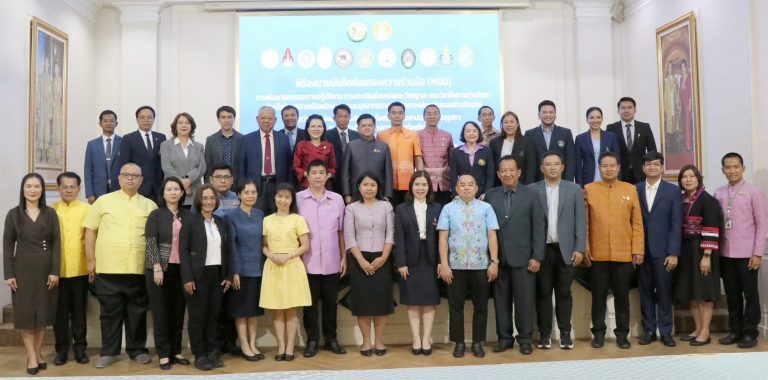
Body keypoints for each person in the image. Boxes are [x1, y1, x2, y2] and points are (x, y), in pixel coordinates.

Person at [83, 163, 157, 368]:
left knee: (137, 312)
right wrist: (90, 260)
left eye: (135, 175)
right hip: (109, 267)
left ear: (141, 180)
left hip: (138, 267)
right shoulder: (103, 201)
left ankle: (137, 350)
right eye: (126, 174)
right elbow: (90, 231)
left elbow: (154, 237)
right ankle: (109, 351)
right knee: (109, 313)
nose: (130, 178)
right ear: (118, 178)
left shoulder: (150, 205)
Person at [485, 156, 545, 355]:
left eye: (512, 170)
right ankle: (504, 338)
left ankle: (525, 339)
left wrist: (537, 256)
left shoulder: (532, 194)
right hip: (499, 259)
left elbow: (539, 227)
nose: (508, 174)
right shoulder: (490, 196)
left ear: (519, 172)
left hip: (525, 258)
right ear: (498, 174)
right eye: (504, 170)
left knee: (524, 301)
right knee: (501, 301)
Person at [584, 152, 644, 349]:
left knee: (622, 298)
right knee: (598, 298)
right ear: (599, 168)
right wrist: (586, 247)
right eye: (604, 166)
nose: (608, 169)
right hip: (597, 254)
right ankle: (598, 333)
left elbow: (637, 222)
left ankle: (622, 334)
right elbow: (585, 223)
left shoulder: (630, 189)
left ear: (618, 167)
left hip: (623, 254)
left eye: (612, 165)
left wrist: (638, 249)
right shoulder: (589, 189)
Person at [3, 173, 61, 375]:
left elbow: (57, 244)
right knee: (26, 315)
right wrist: (9, 273)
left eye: (37, 186)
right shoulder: (13, 214)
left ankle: (37, 352)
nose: (33, 190)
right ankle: (31, 355)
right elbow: (7, 245)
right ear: (23, 189)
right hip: (22, 270)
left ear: (42, 190)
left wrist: (55, 271)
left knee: (42, 314)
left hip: (45, 270)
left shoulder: (50, 214)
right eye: (29, 186)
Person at [438, 174, 500, 358]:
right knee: (455, 306)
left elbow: (492, 236)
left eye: (470, 184)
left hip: (481, 265)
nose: (466, 187)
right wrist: (444, 264)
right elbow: (443, 238)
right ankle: (458, 343)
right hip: (455, 266)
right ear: (456, 188)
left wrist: (494, 262)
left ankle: (477, 343)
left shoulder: (486, 208)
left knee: (481, 306)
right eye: (462, 185)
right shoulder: (448, 209)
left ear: (476, 188)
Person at [532, 152, 586, 350]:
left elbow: (580, 220)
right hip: (542, 250)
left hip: (567, 250)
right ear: (542, 168)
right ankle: (544, 334)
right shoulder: (532, 190)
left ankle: (565, 334)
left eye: (556, 164)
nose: (553, 167)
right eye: (548, 164)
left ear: (562, 167)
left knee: (564, 293)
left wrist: (580, 248)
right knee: (543, 293)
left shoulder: (574, 189)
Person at [714, 152, 768, 349]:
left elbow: (762, 225)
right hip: (726, 253)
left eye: (736, 166)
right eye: (728, 167)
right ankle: (735, 331)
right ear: (723, 170)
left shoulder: (754, 192)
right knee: (732, 294)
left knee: (750, 295)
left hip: (747, 254)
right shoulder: (719, 193)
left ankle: (750, 332)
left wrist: (757, 253)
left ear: (743, 168)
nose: (732, 170)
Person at [296, 161, 347, 357]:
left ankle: (331, 339)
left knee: (330, 304)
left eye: (321, 173)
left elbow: (341, 231)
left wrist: (344, 257)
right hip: (307, 263)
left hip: (332, 261)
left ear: (328, 176)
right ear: (307, 176)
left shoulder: (337, 199)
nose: (318, 176)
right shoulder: (298, 199)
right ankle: (312, 340)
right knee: (310, 305)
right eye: (314, 173)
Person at [180, 184, 232, 370]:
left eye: (212, 198)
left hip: (217, 274)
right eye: (205, 198)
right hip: (197, 276)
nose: (209, 201)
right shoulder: (190, 221)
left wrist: (228, 275)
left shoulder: (221, 222)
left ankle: (212, 351)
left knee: (213, 316)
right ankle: (199, 354)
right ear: (198, 200)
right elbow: (183, 251)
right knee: (197, 317)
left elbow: (227, 250)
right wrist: (187, 278)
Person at [144, 177, 193, 370]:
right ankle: (164, 354)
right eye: (169, 189)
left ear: (182, 193)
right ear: (163, 194)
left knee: (178, 312)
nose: (173, 192)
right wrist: (157, 267)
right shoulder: (156, 215)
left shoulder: (188, 215)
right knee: (161, 313)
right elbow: (151, 242)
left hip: (182, 270)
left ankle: (176, 351)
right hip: (160, 270)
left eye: (176, 189)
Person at [344, 173, 395, 356]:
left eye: (373, 184)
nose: (369, 188)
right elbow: (349, 236)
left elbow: (391, 233)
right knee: (363, 304)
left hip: (382, 259)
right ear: (359, 187)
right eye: (365, 184)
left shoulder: (386, 206)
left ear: (378, 187)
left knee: (381, 304)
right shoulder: (351, 208)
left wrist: (384, 257)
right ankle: (366, 342)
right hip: (359, 260)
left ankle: (379, 342)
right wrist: (361, 261)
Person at [259, 183, 312, 361]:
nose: (283, 200)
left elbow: (305, 245)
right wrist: (271, 255)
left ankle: (290, 346)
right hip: (273, 265)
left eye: (287, 197)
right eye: (280, 196)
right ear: (274, 198)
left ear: (292, 200)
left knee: (290, 309)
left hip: (292, 265)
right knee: (277, 309)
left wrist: (288, 256)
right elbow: (264, 245)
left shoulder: (298, 219)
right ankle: (280, 345)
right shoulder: (267, 220)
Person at [635, 152, 682, 347]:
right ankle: (648, 330)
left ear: (662, 167)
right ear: (643, 168)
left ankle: (665, 331)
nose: (652, 167)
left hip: (663, 252)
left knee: (664, 292)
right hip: (641, 251)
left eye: (656, 164)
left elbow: (676, 224)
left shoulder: (673, 191)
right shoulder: (635, 189)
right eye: (648, 164)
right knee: (644, 292)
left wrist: (673, 253)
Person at [394, 171, 442, 356]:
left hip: (431, 259)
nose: (420, 188)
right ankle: (416, 339)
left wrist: (441, 261)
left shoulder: (438, 208)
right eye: (417, 184)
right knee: (412, 301)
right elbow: (399, 237)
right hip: (410, 260)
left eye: (424, 184)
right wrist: (401, 263)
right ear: (411, 187)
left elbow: (442, 237)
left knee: (430, 301)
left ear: (429, 187)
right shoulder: (401, 209)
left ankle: (426, 338)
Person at [676, 164, 722, 346]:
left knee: (704, 292)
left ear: (698, 179)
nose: (688, 180)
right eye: (684, 176)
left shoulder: (708, 200)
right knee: (692, 291)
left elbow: (711, 228)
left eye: (692, 176)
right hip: (686, 250)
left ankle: (705, 331)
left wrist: (707, 256)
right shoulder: (681, 199)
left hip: (702, 250)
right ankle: (697, 328)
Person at [51, 172, 91, 366]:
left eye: (72, 187)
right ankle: (61, 351)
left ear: (79, 189)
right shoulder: (50, 210)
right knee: (59, 314)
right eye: (64, 187)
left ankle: (80, 349)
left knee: (79, 313)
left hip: (80, 270)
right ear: (58, 188)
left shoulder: (87, 209)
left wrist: (92, 266)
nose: (68, 190)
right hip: (56, 272)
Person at [224, 179, 266, 361]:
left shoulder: (260, 215)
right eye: (246, 192)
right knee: (241, 311)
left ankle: (253, 344)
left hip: (258, 269)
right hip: (240, 271)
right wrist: (234, 271)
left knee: (254, 310)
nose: (250, 195)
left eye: (253, 192)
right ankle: (244, 345)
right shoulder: (231, 217)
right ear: (239, 195)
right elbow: (231, 247)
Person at [239, 106, 292, 215]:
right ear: (257, 119)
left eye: (269, 118)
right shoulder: (247, 139)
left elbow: (289, 165)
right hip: (255, 187)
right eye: (263, 118)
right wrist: (241, 189)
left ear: (275, 120)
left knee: (278, 217)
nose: (266, 121)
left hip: (278, 186)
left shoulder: (283, 139)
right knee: (256, 217)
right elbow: (240, 167)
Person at [377, 102, 424, 206]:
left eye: (400, 113)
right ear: (388, 116)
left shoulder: (413, 135)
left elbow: (418, 158)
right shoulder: (381, 135)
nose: (397, 116)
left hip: (409, 183)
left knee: (408, 212)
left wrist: (421, 177)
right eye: (394, 113)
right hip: (388, 183)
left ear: (404, 115)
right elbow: (378, 161)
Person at [341, 114, 394, 204]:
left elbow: (388, 173)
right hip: (355, 192)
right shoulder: (351, 146)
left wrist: (387, 194)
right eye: (363, 125)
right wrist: (347, 194)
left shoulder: (383, 146)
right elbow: (345, 172)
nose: (367, 128)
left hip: (379, 192)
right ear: (358, 128)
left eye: (370, 125)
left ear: (375, 127)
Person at [119, 105, 167, 199]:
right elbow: (124, 164)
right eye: (142, 117)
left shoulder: (161, 137)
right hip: (138, 187)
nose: (146, 120)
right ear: (137, 119)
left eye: (149, 117)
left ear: (153, 119)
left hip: (159, 187)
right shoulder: (128, 138)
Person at [606, 97, 658, 183]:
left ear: (635, 110)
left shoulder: (645, 127)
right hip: (619, 174)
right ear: (618, 111)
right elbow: (608, 153)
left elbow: (652, 151)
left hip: (641, 174)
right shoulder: (611, 128)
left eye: (629, 107)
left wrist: (653, 172)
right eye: (623, 108)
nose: (626, 110)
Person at [160, 112, 206, 207]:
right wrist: (182, 183)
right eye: (180, 123)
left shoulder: (199, 146)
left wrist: (189, 179)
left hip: (194, 191)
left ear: (192, 126)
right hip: (174, 192)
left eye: (187, 123)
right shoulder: (166, 145)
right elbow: (166, 167)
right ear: (175, 126)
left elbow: (202, 167)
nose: (184, 125)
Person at [524, 100, 576, 182]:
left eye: (551, 112)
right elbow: (528, 162)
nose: (548, 115)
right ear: (539, 115)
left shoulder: (565, 133)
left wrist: (568, 182)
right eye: (544, 112)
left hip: (560, 181)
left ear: (555, 115)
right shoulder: (530, 134)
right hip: (537, 182)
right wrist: (529, 184)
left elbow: (570, 160)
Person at [575, 107, 620, 187]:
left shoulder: (611, 136)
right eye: (592, 117)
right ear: (587, 119)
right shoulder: (580, 138)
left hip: (609, 178)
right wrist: (579, 185)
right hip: (588, 180)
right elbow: (577, 164)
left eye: (598, 117)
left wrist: (618, 181)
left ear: (602, 119)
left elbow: (617, 160)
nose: (595, 120)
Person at [449, 121, 495, 199]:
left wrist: (486, 193)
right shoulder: (456, 152)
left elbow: (490, 175)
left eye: (474, 131)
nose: (471, 133)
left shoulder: (486, 151)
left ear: (478, 133)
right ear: (463, 134)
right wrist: (456, 194)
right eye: (468, 131)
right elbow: (453, 175)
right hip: (462, 194)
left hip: (482, 195)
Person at [418, 104, 454, 205]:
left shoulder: (447, 135)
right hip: (425, 185)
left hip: (444, 184)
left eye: (435, 113)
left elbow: (451, 161)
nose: (432, 116)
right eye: (429, 114)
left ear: (440, 116)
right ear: (424, 117)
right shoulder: (417, 136)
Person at [488, 111, 537, 185]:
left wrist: (528, 187)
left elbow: (531, 167)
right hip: (499, 185)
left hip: (521, 184)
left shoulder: (527, 142)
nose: (509, 125)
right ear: (502, 125)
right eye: (506, 122)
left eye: (512, 122)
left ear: (517, 124)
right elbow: (491, 167)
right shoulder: (494, 142)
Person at [84, 110, 122, 203]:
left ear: (116, 123)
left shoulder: (124, 142)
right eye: (105, 121)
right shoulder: (92, 144)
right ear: (100, 124)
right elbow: (88, 170)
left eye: (111, 121)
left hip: (119, 189)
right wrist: (90, 193)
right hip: (98, 191)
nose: (108, 123)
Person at [293, 115, 336, 190]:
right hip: (306, 185)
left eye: (319, 126)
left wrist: (328, 174)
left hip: (325, 185)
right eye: (313, 126)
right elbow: (296, 166)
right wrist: (307, 174)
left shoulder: (329, 145)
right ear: (308, 129)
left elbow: (333, 167)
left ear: (323, 129)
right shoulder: (301, 145)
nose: (316, 129)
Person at [204, 106, 244, 180]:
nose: (226, 120)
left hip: (237, 181)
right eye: (223, 117)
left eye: (229, 117)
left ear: (234, 119)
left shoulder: (243, 139)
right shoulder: (210, 140)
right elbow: (208, 165)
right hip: (217, 182)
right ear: (218, 120)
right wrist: (208, 184)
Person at [326, 104, 360, 191]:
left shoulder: (357, 135)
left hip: (353, 178)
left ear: (350, 117)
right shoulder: (326, 135)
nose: (343, 119)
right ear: (334, 118)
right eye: (340, 116)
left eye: (346, 116)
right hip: (334, 179)